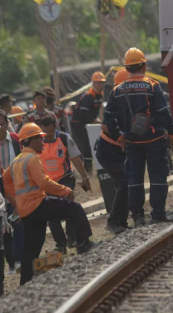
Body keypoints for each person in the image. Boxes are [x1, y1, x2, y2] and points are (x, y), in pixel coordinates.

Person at [3, 123, 99, 285]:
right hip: (38, 204)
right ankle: (84, 244)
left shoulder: (17, 161)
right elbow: (44, 183)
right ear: (31, 140)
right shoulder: (32, 158)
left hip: (27, 211)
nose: (43, 141)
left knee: (32, 247)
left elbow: (4, 184)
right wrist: (65, 191)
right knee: (75, 209)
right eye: (40, 139)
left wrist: (17, 203)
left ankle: (25, 281)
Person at [104, 48, 173, 227]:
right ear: (144, 66)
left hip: (131, 142)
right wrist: (172, 132)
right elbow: (163, 112)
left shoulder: (117, 90)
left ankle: (138, 216)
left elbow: (108, 117)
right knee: (158, 176)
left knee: (134, 178)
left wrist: (118, 137)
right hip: (154, 140)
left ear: (127, 68)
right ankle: (158, 214)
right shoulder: (152, 86)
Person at [37, 114, 91, 253]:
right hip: (47, 182)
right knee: (50, 214)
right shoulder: (37, 141)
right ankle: (60, 244)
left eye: (50, 131)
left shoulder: (64, 138)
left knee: (68, 208)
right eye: (45, 131)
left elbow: (75, 159)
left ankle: (71, 238)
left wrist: (85, 177)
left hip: (65, 178)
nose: (48, 135)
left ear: (55, 126)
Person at [94, 68, 130, 234]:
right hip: (108, 151)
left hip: (117, 151)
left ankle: (121, 222)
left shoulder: (129, 100)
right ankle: (113, 220)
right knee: (124, 182)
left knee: (123, 184)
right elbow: (105, 125)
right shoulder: (116, 100)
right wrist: (120, 137)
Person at [71, 71, 107, 172]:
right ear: (93, 83)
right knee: (86, 145)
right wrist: (95, 121)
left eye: (102, 82)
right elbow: (83, 114)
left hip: (88, 123)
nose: (101, 85)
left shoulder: (99, 95)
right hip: (78, 123)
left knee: (94, 143)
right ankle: (87, 170)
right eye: (98, 83)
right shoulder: (89, 96)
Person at [0, 111, 22, 276]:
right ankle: (11, 263)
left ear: (7, 123)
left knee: (19, 223)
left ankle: (20, 258)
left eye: (2, 123)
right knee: (5, 228)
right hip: (1, 191)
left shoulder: (16, 140)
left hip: (17, 187)